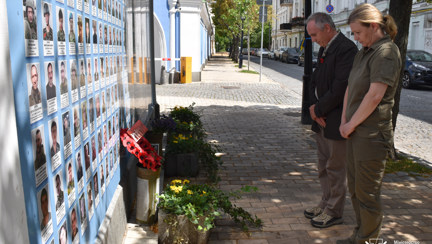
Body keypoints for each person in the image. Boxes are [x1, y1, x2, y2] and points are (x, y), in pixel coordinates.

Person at [337, 4, 401, 244]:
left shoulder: (386, 52)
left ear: (373, 26)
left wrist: (350, 124)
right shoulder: (363, 51)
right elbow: (350, 88)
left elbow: (374, 96)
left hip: (372, 135)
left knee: (368, 193)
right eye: (353, 33)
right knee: (355, 189)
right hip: (355, 131)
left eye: (358, 32)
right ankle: (360, 235)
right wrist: (344, 121)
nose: (356, 38)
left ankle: (368, 239)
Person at [303, 13, 358, 228]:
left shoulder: (346, 49)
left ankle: (334, 211)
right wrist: (313, 109)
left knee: (335, 168)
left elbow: (340, 87)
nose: (313, 40)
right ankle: (325, 203)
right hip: (322, 118)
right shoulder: (326, 46)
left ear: (327, 28)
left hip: (335, 119)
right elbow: (315, 79)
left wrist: (319, 108)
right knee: (323, 166)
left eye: (314, 35)